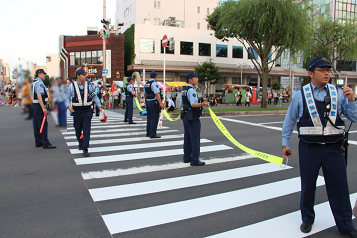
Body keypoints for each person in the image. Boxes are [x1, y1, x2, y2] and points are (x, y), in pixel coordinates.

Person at [282, 56, 357, 237]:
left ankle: (346, 224)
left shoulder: (339, 93)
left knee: (339, 187)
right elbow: (290, 120)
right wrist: (285, 144)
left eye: (328, 70)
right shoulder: (300, 95)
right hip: (309, 148)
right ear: (310, 74)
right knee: (308, 186)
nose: (326, 73)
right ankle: (307, 219)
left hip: (334, 149)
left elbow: (355, 118)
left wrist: (352, 100)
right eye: (321, 70)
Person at [67, 68, 103, 157]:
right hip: (77, 110)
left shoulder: (89, 85)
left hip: (87, 109)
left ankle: (85, 147)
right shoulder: (71, 86)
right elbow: (67, 98)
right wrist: (68, 106)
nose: (85, 76)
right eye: (83, 75)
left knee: (86, 129)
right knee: (77, 128)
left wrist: (100, 106)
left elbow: (94, 96)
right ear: (78, 76)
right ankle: (80, 142)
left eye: (85, 74)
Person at [181, 71, 209, 166]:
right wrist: (203, 104)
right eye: (195, 78)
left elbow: (182, 104)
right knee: (195, 139)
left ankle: (187, 157)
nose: (197, 79)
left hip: (185, 115)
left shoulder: (184, 90)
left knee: (187, 138)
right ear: (190, 80)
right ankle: (195, 160)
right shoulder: (192, 90)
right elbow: (193, 104)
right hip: (192, 116)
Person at [32, 69, 56, 149]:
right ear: (39, 74)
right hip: (39, 106)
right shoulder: (39, 84)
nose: (44, 76)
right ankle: (45, 142)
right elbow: (39, 96)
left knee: (36, 124)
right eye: (43, 74)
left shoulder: (33, 83)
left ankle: (38, 141)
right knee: (43, 124)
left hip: (34, 105)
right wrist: (43, 108)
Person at [144, 71, 164, 138]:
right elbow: (157, 94)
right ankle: (153, 134)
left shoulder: (146, 84)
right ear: (156, 77)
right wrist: (161, 103)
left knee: (149, 118)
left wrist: (145, 101)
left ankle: (148, 132)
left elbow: (145, 94)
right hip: (153, 102)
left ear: (149, 76)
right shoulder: (154, 83)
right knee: (154, 118)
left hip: (148, 102)